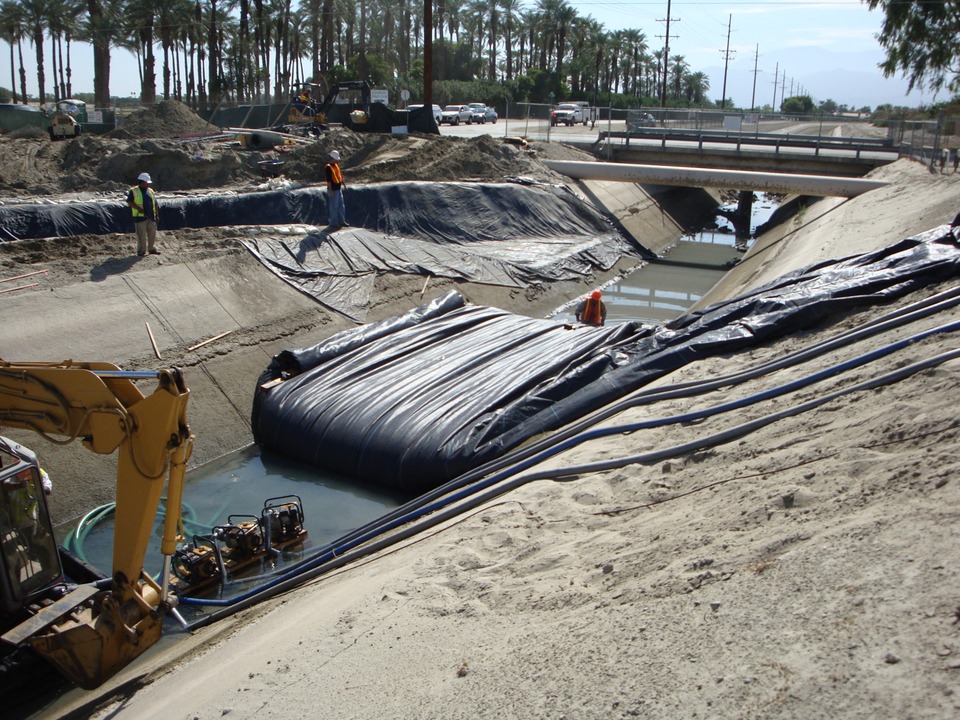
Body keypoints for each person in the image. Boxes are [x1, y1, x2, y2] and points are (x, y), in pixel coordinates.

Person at [127, 172, 160, 256]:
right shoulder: (133, 191)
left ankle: (151, 249)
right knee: (141, 235)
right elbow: (129, 202)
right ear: (141, 182)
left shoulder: (150, 191)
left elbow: (155, 203)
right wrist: (139, 209)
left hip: (151, 217)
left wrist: (156, 215)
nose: (148, 184)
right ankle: (141, 251)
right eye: (147, 183)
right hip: (140, 217)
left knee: (152, 234)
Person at [325, 150, 347, 229]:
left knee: (341, 205)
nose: (337, 160)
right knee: (334, 206)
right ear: (333, 158)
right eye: (336, 159)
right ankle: (333, 223)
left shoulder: (336, 165)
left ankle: (341, 220)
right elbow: (329, 180)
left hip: (338, 188)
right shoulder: (328, 167)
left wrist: (344, 185)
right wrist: (330, 191)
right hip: (333, 190)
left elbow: (340, 175)